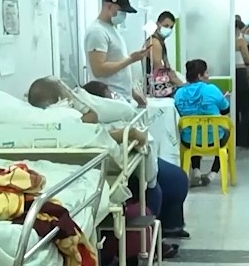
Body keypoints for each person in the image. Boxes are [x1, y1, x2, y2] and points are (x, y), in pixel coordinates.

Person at [78, 82, 191, 240]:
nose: (115, 98)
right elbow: (102, 135)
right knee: (169, 182)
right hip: (122, 164)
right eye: (111, 95)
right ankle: (153, 236)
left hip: (134, 155)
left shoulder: (115, 115)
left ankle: (171, 226)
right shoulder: (88, 123)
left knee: (175, 178)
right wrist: (131, 133)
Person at [85, 0, 149, 106]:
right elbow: (98, 70)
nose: (123, 15)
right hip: (109, 100)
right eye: (121, 11)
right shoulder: (97, 32)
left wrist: (133, 93)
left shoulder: (112, 29)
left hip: (122, 98)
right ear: (109, 6)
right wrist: (131, 59)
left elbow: (119, 66)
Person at [173, 59, 231, 187]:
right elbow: (226, 109)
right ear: (200, 75)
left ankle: (196, 171)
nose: (208, 75)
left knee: (195, 133)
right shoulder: (212, 89)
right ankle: (212, 174)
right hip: (215, 139)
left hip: (188, 140)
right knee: (226, 133)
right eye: (206, 73)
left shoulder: (179, 93)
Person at [144, 11, 183, 98]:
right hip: (155, 88)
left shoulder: (160, 43)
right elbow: (160, 70)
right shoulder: (154, 43)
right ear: (157, 24)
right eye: (166, 26)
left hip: (159, 85)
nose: (168, 29)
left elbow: (167, 67)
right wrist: (180, 84)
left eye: (171, 27)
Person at [233, 19, 249, 148]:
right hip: (241, 74)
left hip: (232, 74)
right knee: (245, 109)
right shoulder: (240, 41)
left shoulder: (226, 42)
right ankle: (245, 141)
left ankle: (236, 139)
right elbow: (247, 60)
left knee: (235, 108)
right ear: (238, 29)